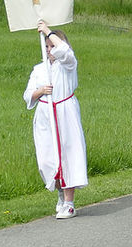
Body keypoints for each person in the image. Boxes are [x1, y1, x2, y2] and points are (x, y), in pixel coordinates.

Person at [24, 20, 89, 219]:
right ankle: (60, 193)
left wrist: (48, 31)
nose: (50, 50)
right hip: (45, 115)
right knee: (48, 157)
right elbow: (28, 95)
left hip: (64, 111)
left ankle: (69, 202)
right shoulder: (39, 69)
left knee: (68, 154)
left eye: (53, 46)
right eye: (47, 47)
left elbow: (65, 53)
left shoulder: (68, 64)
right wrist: (40, 91)